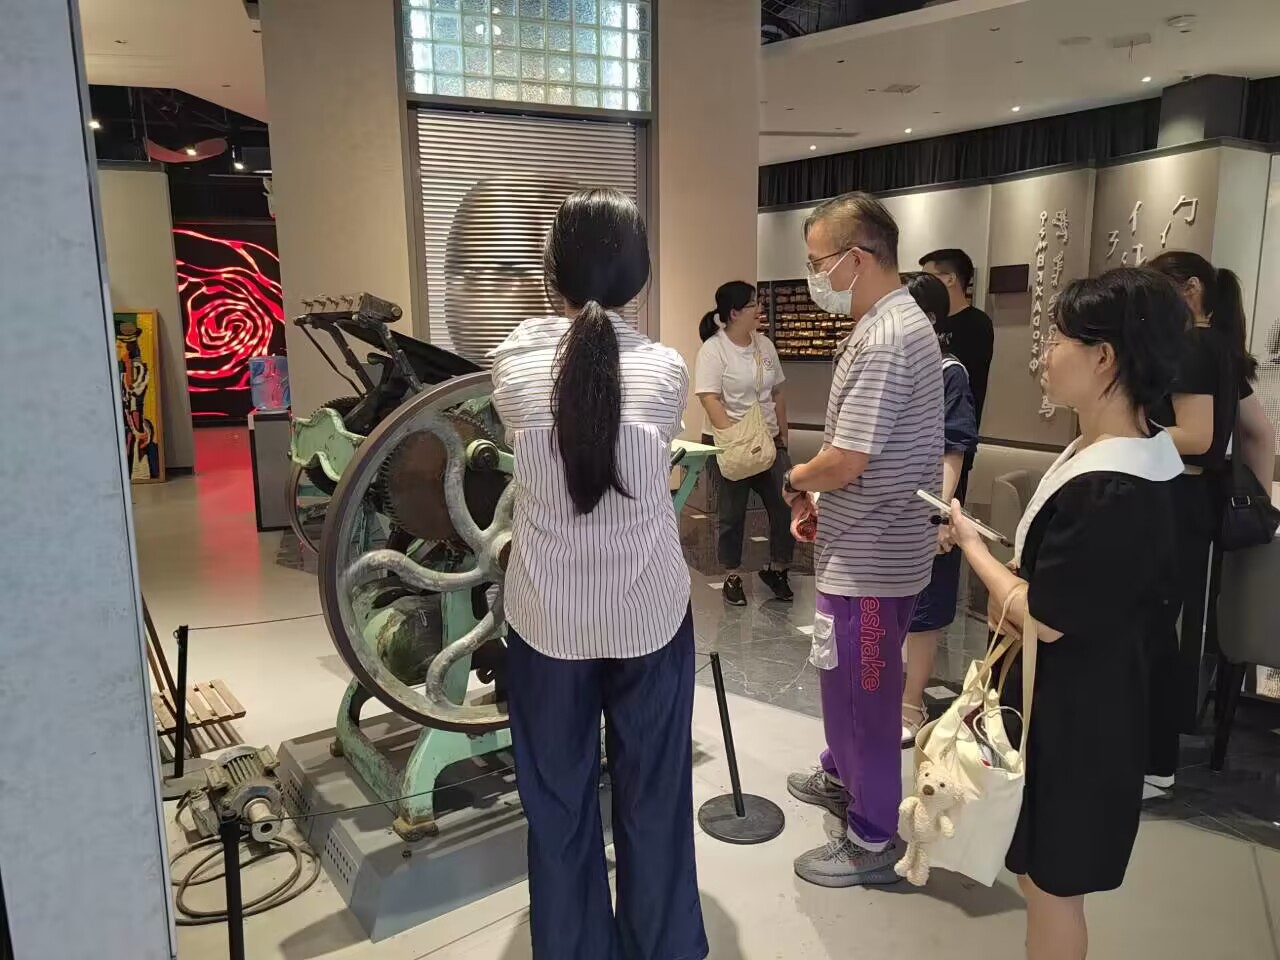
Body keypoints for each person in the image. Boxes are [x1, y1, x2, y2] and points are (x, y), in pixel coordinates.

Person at [489, 188, 707, 960]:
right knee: (655, 795)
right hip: (650, 612)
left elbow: (545, 363)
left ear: (551, 271)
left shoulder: (512, 365)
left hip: (546, 619)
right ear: (638, 275)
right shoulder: (668, 370)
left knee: (557, 804)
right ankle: (663, 945)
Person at [951, 267, 1185, 960]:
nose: (1045, 356)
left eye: (1057, 340)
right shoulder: (1128, 451)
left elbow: (1047, 615)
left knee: (1054, 884)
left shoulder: (1112, 483)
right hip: (1088, 693)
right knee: (1041, 877)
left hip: (1081, 711)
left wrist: (973, 549)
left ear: (1104, 357)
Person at [781, 192, 944, 886]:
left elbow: (848, 458)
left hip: (873, 558)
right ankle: (842, 774)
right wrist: (824, 500)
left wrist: (797, 478)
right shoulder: (892, 323)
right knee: (845, 679)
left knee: (865, 693)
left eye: (818, 262)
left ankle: (873, 833)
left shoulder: (885, 338)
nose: (814, 276)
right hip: (867, 540)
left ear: (857, 258)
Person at [1145, 251, 1276, 787]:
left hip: (1176, 500)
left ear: (1190, 289)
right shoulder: (1220, 348)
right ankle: (1156, 759)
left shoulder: (1194, 347)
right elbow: (1260, 433)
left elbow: (1198, 438)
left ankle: (1155, 764)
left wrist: (1122, 435)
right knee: (1163, 628)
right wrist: (1254, 501)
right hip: (1193, 502)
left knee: (1152, 630)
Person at [898, 271, 980, 744]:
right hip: (891, 509)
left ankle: (912, 705)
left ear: (928, 318)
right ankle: (889, 696)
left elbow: (954, 450)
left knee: (923, 615)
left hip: (928, 508)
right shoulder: (895, 366)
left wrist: (938, 515)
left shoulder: (950, 372)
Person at [695, 281, 795, 605]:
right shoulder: (714, 350)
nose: (760, 309)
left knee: (785, 502)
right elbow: (709, 398)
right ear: (735, 313)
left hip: (768, 441)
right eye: (753, 304)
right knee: (732, 512)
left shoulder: (765, 346)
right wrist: (733, 437)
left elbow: (777, 392)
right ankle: (732, 574)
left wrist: (783, 433)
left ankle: (777, 567)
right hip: (731, 442)